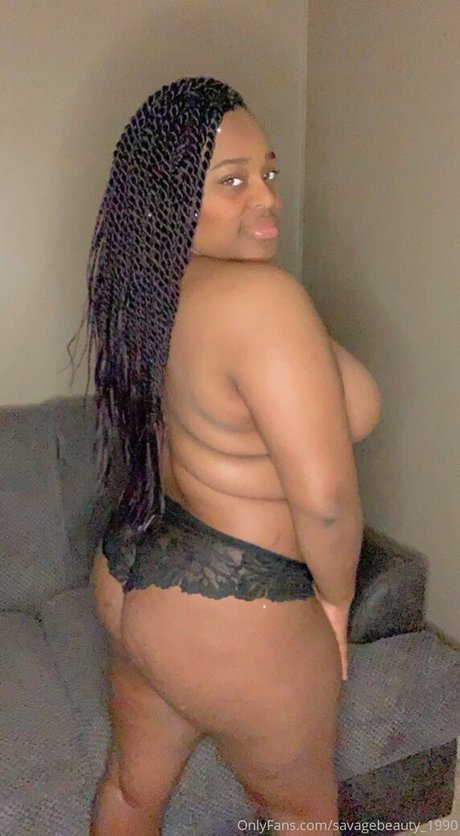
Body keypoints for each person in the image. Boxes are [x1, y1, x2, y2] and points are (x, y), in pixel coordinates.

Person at [69, 76, 381, 834]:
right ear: (171, 199)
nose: (267, 196)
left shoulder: (152, 293)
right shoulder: (263, 303)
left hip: (133, 568)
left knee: (132, 791)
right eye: (232, 181)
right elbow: (326, 503)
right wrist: (335, 602)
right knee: (305, 815)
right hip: (235, 607)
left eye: (269, 172)